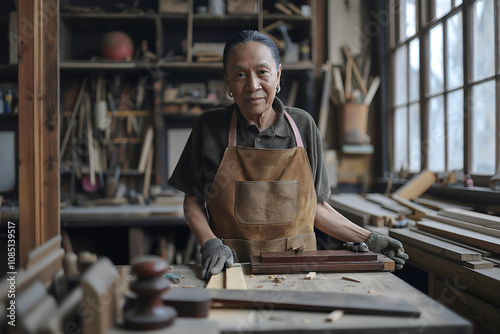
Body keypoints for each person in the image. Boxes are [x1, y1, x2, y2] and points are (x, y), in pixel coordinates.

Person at [168, 30, 408, 279]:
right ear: (227, 80)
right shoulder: (209, 127)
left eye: (262, 72)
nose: (252, 85)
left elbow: (316, 208)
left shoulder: (303, 126)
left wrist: (370, 239)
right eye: (240, 74)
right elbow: (193, 203)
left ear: (278, 75)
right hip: (231, 273)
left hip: (300, 273)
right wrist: (211, 244)